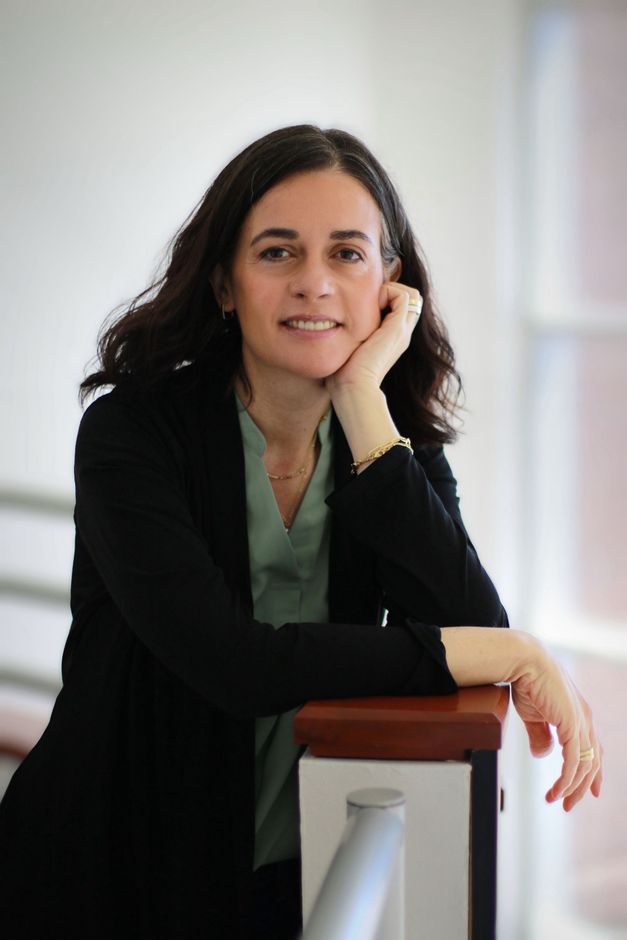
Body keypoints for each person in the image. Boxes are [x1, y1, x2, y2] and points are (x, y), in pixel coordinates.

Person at [0, 125, 601, 940]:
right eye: (277, 253)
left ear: (389, 284)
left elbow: (468, 626)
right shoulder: (131, 435)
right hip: (106, 870)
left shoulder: (394, 450)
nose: (314, 283)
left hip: (301, 868)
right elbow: (230, 662)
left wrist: (360, 398)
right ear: (223, 283)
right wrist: (511, 653)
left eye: (348, 254)